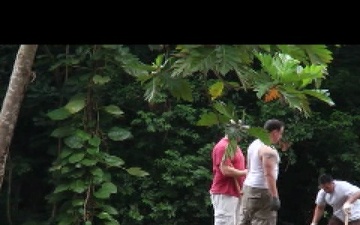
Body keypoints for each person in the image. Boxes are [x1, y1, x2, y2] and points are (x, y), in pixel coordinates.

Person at [239, 118, 285, 225]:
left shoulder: (254, 144)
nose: (280, 137)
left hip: (248, 189)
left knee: (244, 221)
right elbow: (268, 174)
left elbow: (249, 167)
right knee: (264, 221)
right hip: (262, 190)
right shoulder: (267, 149)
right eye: (280, 133)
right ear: (274, 132)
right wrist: (274, 196)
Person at [209, 119, 248, 225]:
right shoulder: (222, 147)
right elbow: (225, 170)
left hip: (235, 192)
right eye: (240, 130)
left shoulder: (234, 146)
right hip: (224, 193)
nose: (243, 134)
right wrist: (245, 172)